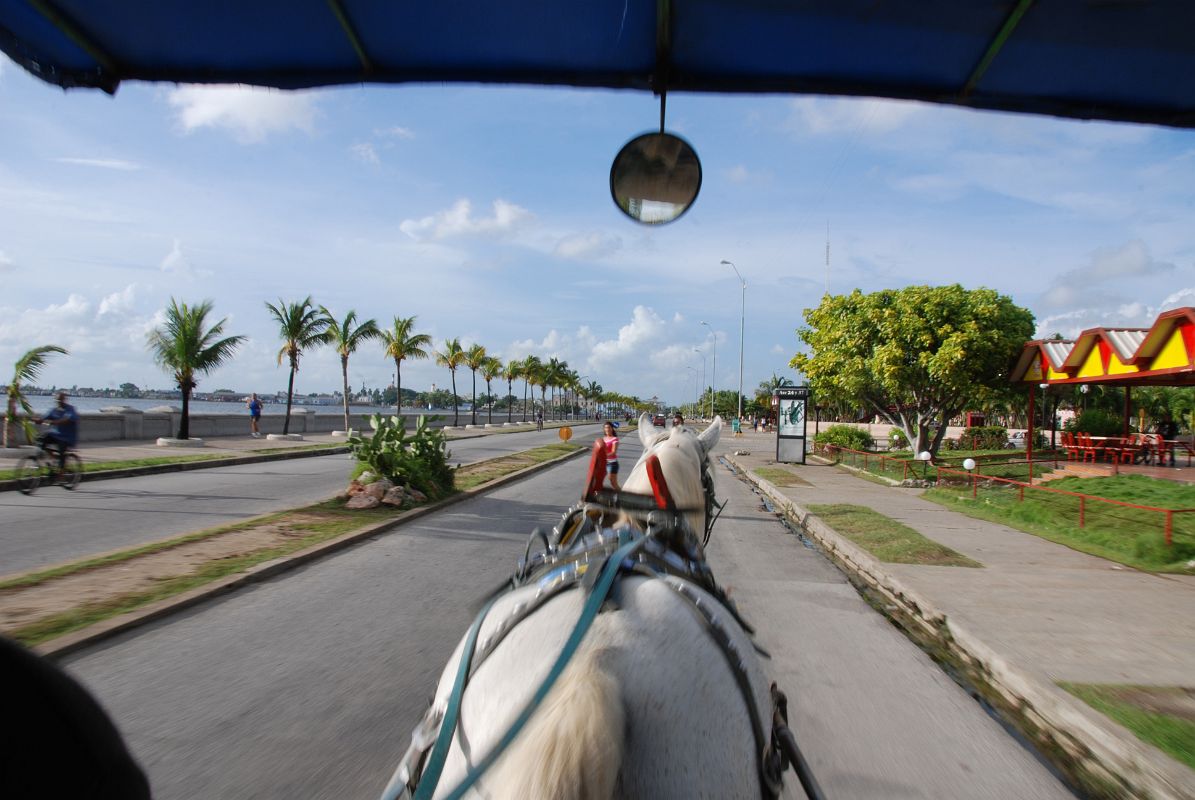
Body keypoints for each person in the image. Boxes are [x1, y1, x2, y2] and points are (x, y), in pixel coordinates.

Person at [34, 392, 78, 473]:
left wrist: (55, 422)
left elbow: (67, 419)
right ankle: (53, 457)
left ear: (64, 400)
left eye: (60, 399)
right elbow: (43, 418)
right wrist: (37, 420)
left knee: (62, 451)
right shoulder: (53, 410)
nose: (59, 401)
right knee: (41, 440)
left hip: (67, 437)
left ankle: (62, 472)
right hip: (55, 434)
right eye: (57, 399)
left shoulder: (70, 409)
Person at [601, 421, 621, 491]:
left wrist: (604, 456)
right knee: (598, 480)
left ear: (612, 428)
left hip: (612, 463)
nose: (607, 429)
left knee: (613, 482)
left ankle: (622, 496)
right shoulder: (603, 439)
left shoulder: (615, 439)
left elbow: (613, 452)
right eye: (605, 428)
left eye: (609, 427)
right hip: (603, 463)